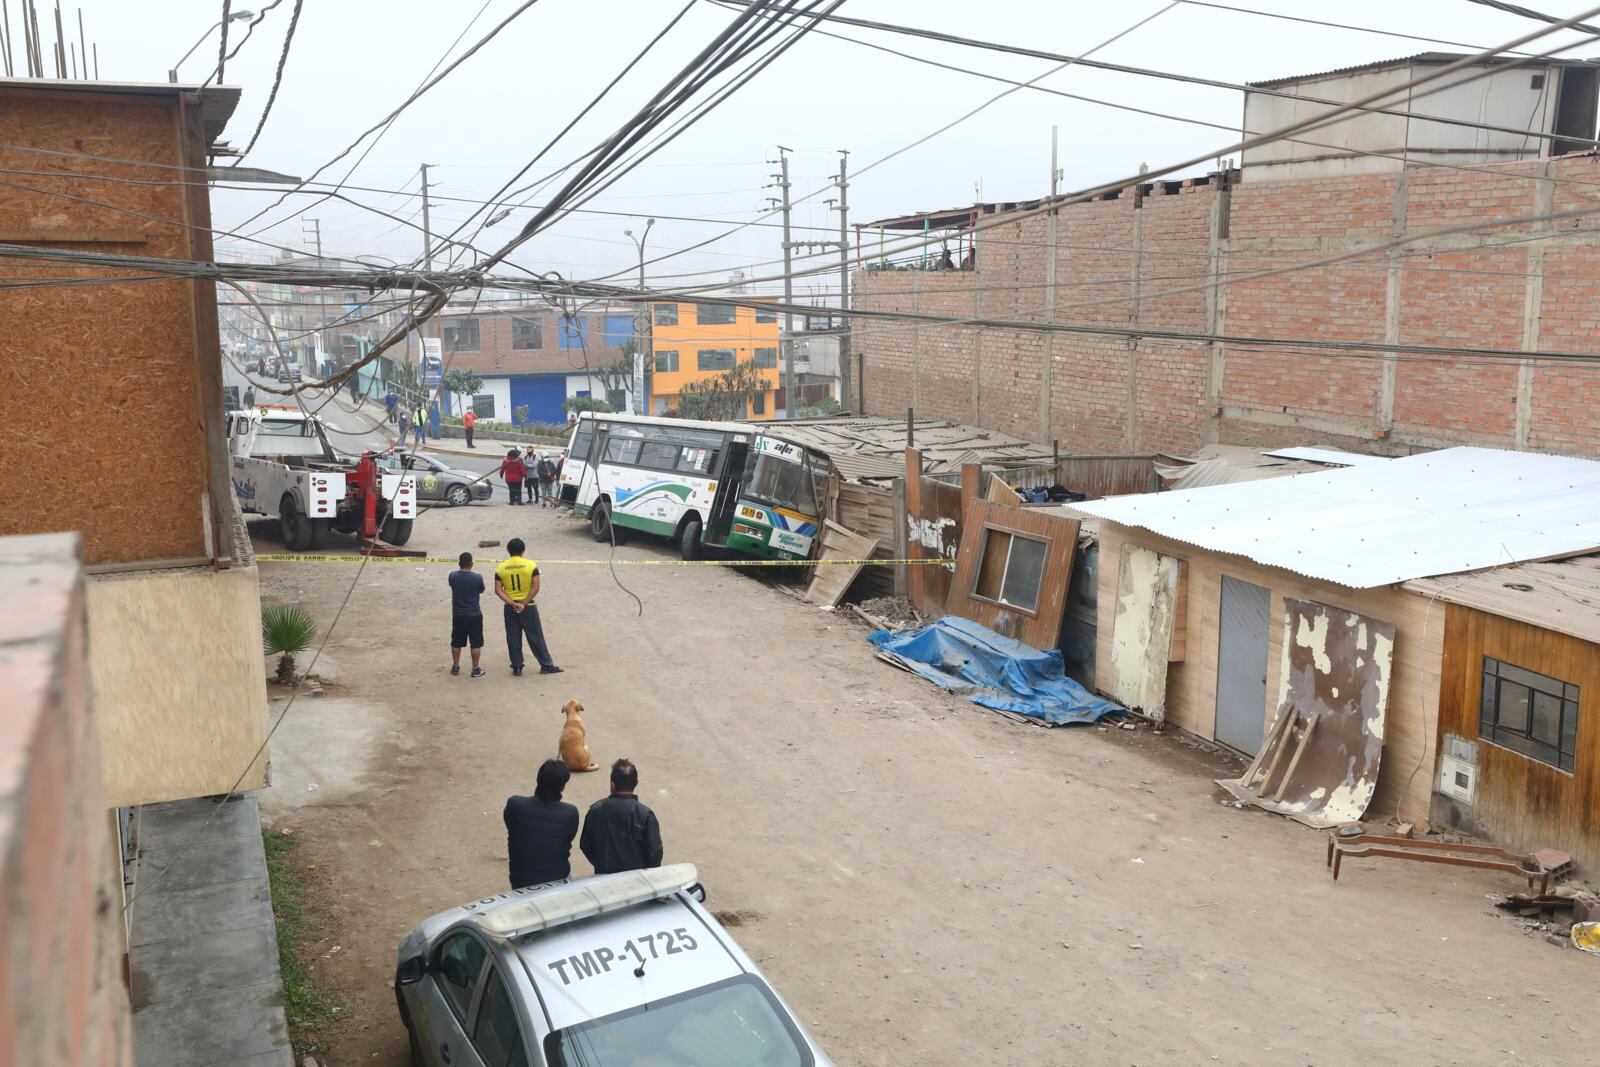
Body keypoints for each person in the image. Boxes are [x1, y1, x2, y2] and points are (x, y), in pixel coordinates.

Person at [503, 759, 580, 888]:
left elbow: (510, 824)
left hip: (521, 881)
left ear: (538, 780)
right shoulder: (570, 813)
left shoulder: (515, 804)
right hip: (557, 880)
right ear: (563, 786)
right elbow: (569, 836)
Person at [580, 759, 663, 875]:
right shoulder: (645, 815)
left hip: (603, 879)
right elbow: (654, 853)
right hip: (636, 881)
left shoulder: (595, 810)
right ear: (637, 782)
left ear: (612, 784)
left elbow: (585, 845)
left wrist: (600, 864)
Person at [495, 537, 561, 677]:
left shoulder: (501, 567)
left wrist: (512, 603)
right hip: (528, 606)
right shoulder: (531, 565)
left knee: (513, 637)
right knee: (536, 635)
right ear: (523, 550)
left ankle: (517, 666)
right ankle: (546, 665)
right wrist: (523, 603)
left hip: (510, 607)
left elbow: (498, 590)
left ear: (508, 551)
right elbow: (536, 587)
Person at [448, 552, 486, 678]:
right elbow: (481, 590)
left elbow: (452, 586)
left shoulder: (452, 576)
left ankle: (455, 666)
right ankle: (475, 669)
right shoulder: (477, 577)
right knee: (475, 643)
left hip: (458, 615)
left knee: (456, 642)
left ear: (459, 563)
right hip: (474, 614)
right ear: (471, 564)